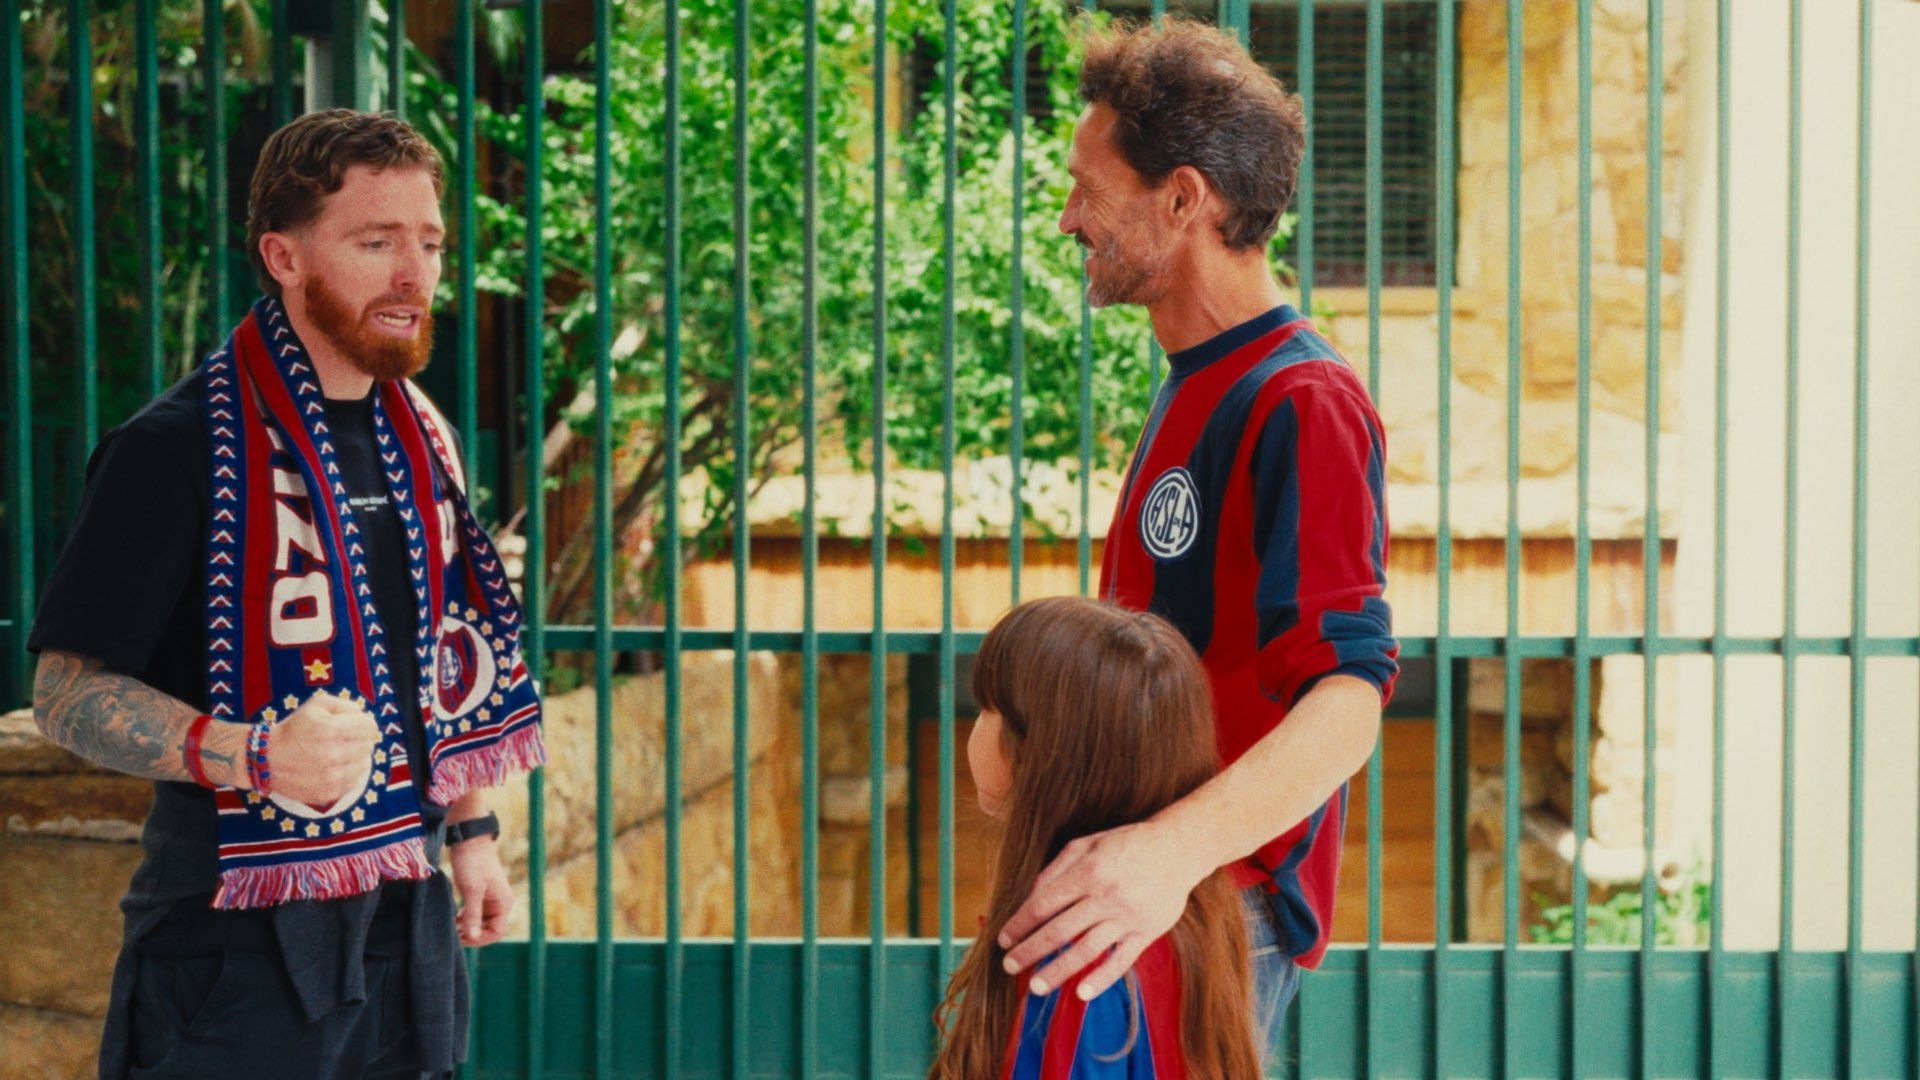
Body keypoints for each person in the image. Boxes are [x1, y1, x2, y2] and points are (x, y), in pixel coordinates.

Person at [28, 109, 545, 1080]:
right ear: (284, 255)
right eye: (375, 241)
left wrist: (473, 833)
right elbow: (66, 695)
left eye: (429, 242)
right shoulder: (172, 450)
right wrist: (251, 753)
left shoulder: (423, 436)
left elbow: (446, 649)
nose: (415, 274)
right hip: (233, 939)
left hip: (409, 916)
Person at [996, 18, 1400, 1058]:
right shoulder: (1201, 382)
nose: (1065, 216)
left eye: (1089, 187)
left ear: (1183, 200)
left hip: (1212, 908)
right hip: (1162, 899)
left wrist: (1162, 858)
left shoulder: (1301, 399)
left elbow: (1347, 701)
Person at [931, 597, 1263, 1079]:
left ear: (1044, 752)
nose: (975, 727)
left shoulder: (1075, 953)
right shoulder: (1190, 920)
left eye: (987, 708)